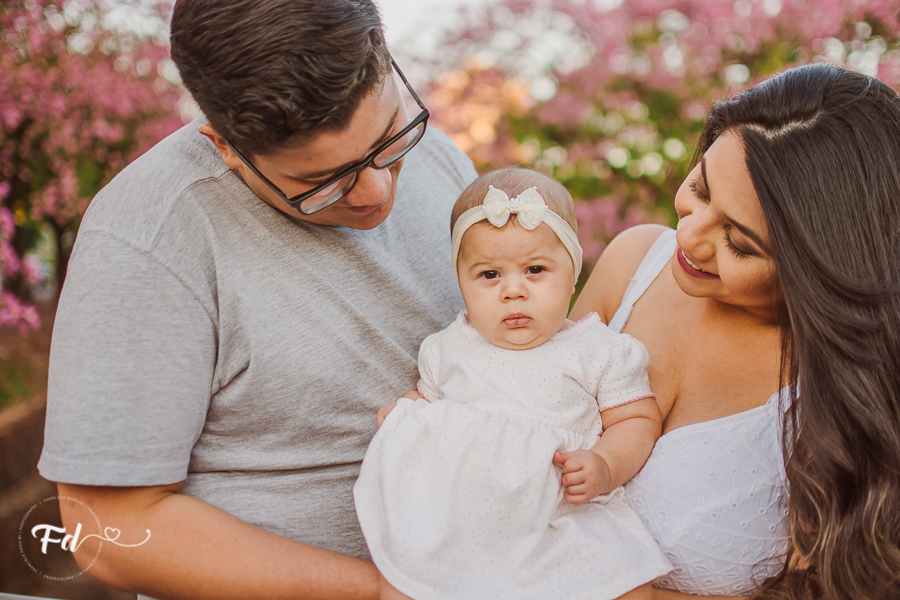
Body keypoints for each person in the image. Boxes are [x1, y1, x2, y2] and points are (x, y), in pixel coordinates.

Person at [37, 1, 476, 598]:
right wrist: (382, 592)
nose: (375, 191)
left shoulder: (438, 157)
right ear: (223, 144)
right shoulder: (148, 235)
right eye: (321, 182)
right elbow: (108, 528)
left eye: (389, 140)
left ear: (386, 60)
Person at [571, 62, 900, 599]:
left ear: (817, 270)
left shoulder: (843, 402)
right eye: (700, 189)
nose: (689, 236)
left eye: (739, 243)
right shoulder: (633, 261)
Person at [354, 167, 672, 600]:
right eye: (489, 275)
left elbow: (636, 419)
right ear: (461, 282)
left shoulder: (598, 350)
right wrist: (403, 417)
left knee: (625, 581)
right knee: (412, 577)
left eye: (535, 269)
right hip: (465, 518)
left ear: (572, 274)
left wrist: (605, 464)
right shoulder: (447, 349)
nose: (513, 290)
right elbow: (429, 411)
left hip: (561, 510)